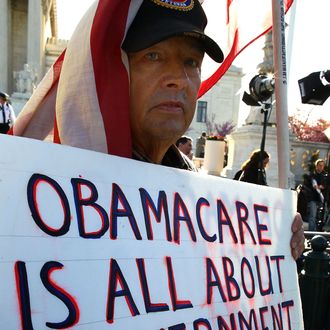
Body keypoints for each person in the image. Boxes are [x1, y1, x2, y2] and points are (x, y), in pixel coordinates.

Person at [11, 0, 304, 259]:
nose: (178, 78)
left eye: (190, 62)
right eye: (153, 56)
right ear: (113, 72)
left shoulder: (198, 193)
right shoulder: (38, 195)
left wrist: (268, 251)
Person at [305, 158, 328, 231]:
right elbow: (311, 185)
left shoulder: (325, 176)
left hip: (322, 199)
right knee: (312, 216)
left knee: (321, 217)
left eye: (322, 166)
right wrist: (319, 186)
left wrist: (320, 186)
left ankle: (318, 231)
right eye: (319, 165)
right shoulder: (312, 175)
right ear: (316, 166)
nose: (321, 167)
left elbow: (324, 186)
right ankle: (311, 233)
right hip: (313, 199)